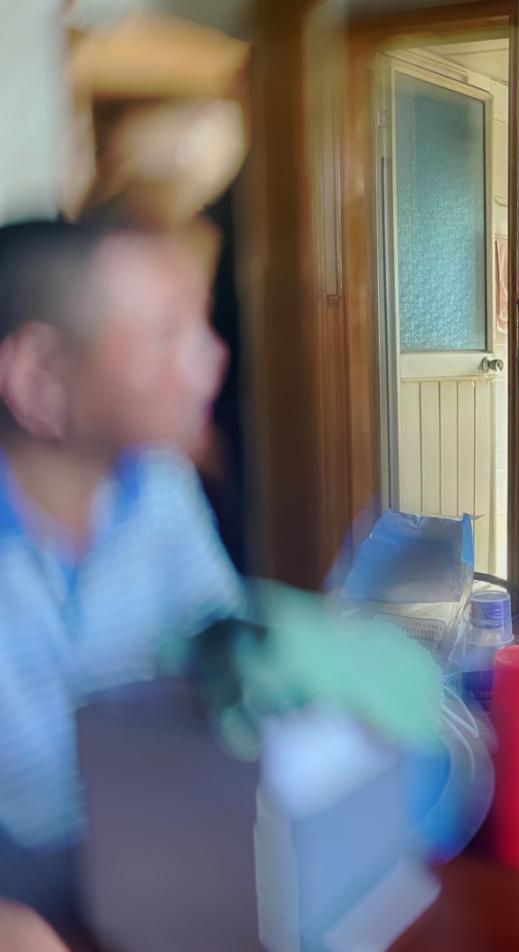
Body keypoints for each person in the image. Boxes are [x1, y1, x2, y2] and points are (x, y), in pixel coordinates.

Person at [0, 220, 241, 928]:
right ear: (40, 375)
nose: (212, 355)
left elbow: (220, 646)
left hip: (147, 870)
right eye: (167, 331)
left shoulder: (160, 485)